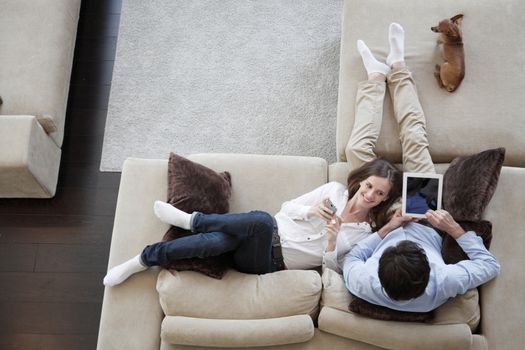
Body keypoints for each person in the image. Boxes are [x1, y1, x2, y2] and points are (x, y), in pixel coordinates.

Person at [102, 22, 430, 288]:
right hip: (262, 233)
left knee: (260, 219)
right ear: (360, 183)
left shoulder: (367, 232)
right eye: (369, 187)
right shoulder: (335, 192)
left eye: (381, 194)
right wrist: (312, 212)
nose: (371, 195)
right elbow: (287, 210)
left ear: (388, 199)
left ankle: (192, 220)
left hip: (270, 260)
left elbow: (338, 268)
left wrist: (331, 243)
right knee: (217, 243)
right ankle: (143, 259)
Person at [341, 23, 500, 312]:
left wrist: (387, 229)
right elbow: (489, 265)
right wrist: (453, 229)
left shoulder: (364, 282)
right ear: (430, 271)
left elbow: (350, 260)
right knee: (414, 139)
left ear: (378, 270)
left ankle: (377, 76)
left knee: (355, 150)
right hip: (423, 214)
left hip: (385, 216)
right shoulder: (444, 281)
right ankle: (398, 67)